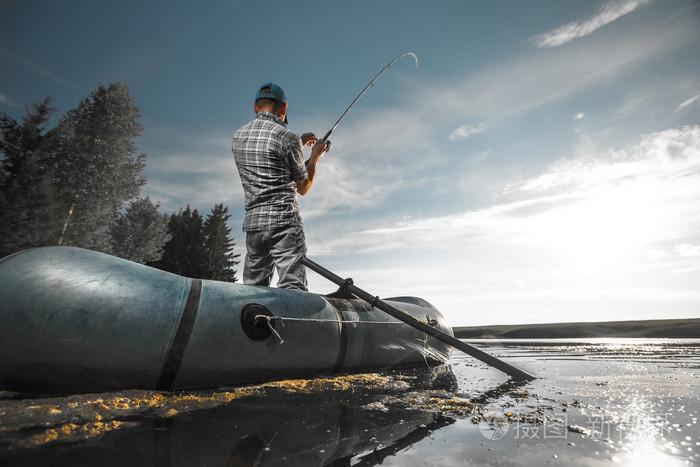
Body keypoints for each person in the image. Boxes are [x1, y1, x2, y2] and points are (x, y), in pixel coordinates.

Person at [232, 82, 327, 291]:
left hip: (254, 225)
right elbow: (303, 187)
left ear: (255, 107)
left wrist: (299, 145)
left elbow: (268, 160)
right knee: (293, 287)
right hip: (283, 222)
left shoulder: (237, 136)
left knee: (253, 289)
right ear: (284, 109)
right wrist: (314, 157)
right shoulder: (288, 137)